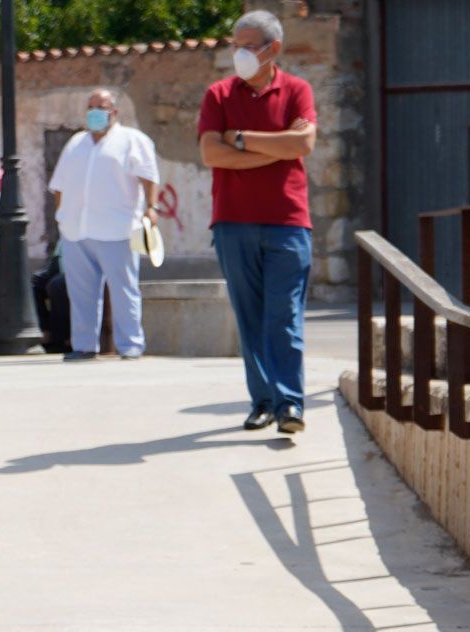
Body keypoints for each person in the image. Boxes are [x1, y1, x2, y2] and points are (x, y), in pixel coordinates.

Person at [198, 10, 318, 435]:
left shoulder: (297, 90)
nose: (239, 53)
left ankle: (290, 404)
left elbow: (304, 142)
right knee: (250, 318)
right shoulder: (218, 94)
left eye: (248, 45)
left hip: (288, 222)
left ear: (273, 49)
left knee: (283, 316)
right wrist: (277, 148)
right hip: (233, 222)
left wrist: (243, 139)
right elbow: (212, 154)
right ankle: (262, 401)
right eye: (236, 45)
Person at [47, 90, 160, 361]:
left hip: (118, 229)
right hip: (77, 230)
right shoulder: (76, 143)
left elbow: (149, 177)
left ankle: (131, 345)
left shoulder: (132, 140)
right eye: (90, 107)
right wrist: (62, 216)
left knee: (124, 290)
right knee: (81, 293)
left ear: (114, 111)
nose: (95, 111)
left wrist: (151, 209)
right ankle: (84, 346)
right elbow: (59, 185)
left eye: (101, 106)